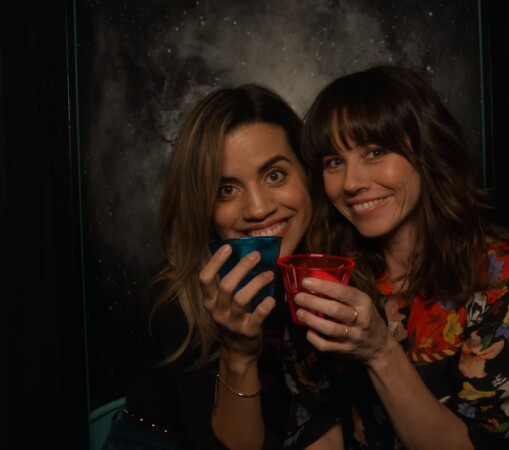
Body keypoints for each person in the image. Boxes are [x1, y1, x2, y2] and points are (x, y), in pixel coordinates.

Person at [289, 65, 509, 449]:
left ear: (426, 150)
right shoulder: (334, 275)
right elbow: (315, 420)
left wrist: (381, 350)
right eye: (334, 161)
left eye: (375, 152)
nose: (351, 183)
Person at [102, 83, 340, 450]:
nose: (258, 209)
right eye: (226, 189)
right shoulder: (180, 303)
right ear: (203, 207)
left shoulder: (334, 270)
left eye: (274, 175)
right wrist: (238, 354)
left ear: (307, 174)